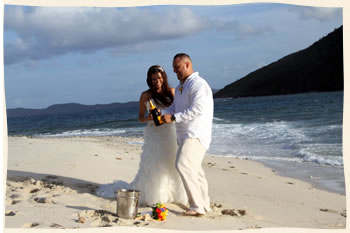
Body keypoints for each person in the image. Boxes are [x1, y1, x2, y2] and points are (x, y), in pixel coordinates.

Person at [96, 65, 188, 206]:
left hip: (170, 132)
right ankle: (156, 195)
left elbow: (179, 112)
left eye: (159, 78)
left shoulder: (172, 91)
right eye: (153, 79)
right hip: (155, 134)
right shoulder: (146, 95)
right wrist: (148, 118)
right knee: (154, 163)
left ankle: (175, 193)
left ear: (163, 78)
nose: (156, 81)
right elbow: (140, 117)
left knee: (172, 163)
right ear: (149, 80)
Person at [162, 53, 214, 216]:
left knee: (182, 164)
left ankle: (196, 206)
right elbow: (174, 109)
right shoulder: (179, 88)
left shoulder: (199, 84)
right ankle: (204, 204)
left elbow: (197, 109)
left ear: (187, 64)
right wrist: (162, 113)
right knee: (195, 170)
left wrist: (173, 117)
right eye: (174, 69)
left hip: (196, 133)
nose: (175, 72)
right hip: (184, 134)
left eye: (177, 68)